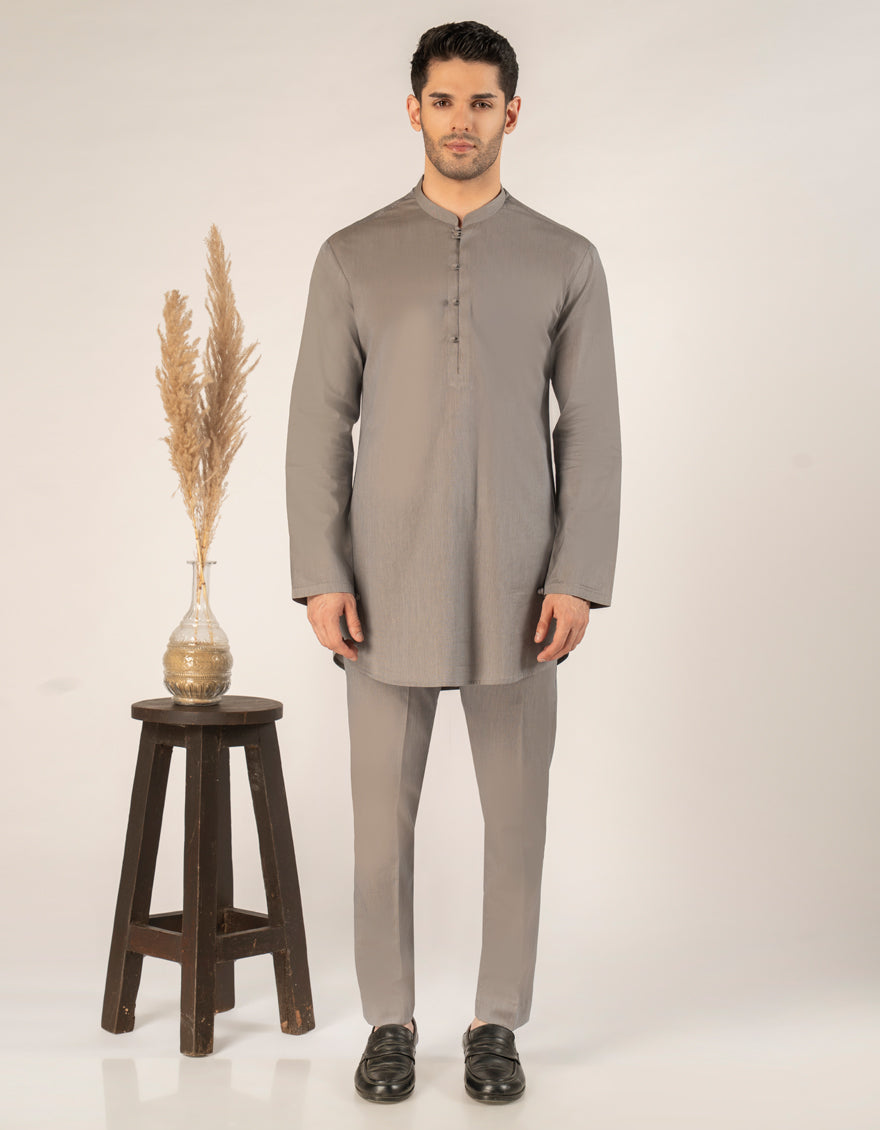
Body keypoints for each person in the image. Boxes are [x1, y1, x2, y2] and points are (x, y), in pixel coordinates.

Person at [285, 19, 621, 1104]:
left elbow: (592, 427)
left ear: (512, 112)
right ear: (413, 109)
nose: (462, 121)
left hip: (522, 586)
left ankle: (496, 1021)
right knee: (379, 827)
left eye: (481, 102)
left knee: (515, 821)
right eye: (444, 100)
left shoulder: (567, 258)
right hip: (381, 585)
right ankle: (388, 1020)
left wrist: (577, 573)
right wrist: (320, 571)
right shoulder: (352, 255)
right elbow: (317, 422)